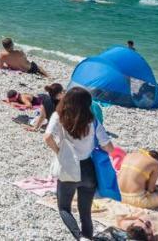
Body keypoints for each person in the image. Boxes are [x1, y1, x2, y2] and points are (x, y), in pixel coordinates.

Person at [44, 86, 115, 240]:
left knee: (64, 208)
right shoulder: (92, 120)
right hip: (88, 169)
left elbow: (47, 137)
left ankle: (79, 237)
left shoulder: (59, 116)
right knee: (85, 212)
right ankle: (87, 237)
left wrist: (58, 152)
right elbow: (109, 148)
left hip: (69, 169)